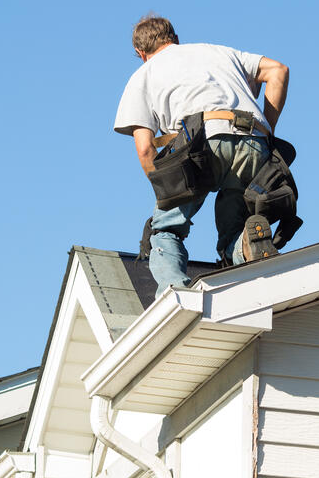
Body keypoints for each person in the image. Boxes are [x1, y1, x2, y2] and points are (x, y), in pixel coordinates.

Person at [113, 15, 290, 295]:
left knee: (166, 230)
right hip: (253, 140)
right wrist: (266, 130)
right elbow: (278, 70)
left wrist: (167, 195)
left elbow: (145, 148)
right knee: (234, 230)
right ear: (174, 38)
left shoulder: (144, 74)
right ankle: (247, 244)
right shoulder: (218, 52)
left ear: (140, 53)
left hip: (200, 141)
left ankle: (175, 293)